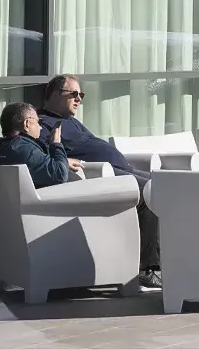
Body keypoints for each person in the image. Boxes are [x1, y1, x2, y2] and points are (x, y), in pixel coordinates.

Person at [38, 75, 161, 287]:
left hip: (120, 169)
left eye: (81, 95)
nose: (79, 99)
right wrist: (63, 159)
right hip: (100, 175)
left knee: (166, 188)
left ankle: (169, 259)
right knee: (150, 194)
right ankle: (146, 269)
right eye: (74, 94)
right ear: (55, 95)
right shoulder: (44, 123)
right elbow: (40, 153)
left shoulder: (70, 121)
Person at [0, 102, 74, 189]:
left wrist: (59, 160)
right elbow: (60, 175)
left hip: (2, 205)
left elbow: (32, 161)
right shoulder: (24, 150)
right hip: (35, 208)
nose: (40, 127)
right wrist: (56, 143)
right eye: (38, 122)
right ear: (27, 124)